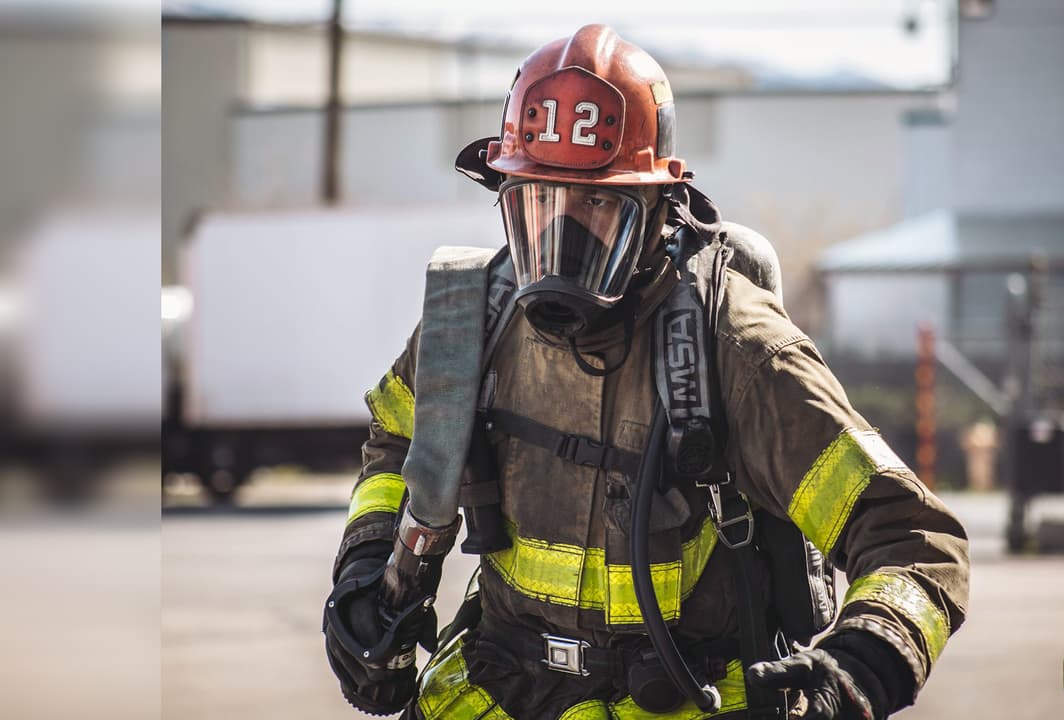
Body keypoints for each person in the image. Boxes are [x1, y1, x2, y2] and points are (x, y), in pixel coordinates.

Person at [323, 24, 969, 720]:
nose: (561, 237)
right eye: (539, 201)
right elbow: (396, 444)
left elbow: (912, 541)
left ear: (659, 210)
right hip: (493, 689)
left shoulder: (737, 348)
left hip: (678, 696)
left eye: (598, 204)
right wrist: (368, 567)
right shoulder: (467, 323)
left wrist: (861, 665)